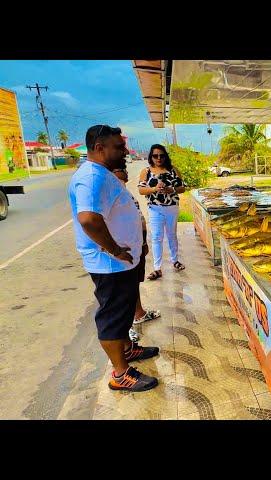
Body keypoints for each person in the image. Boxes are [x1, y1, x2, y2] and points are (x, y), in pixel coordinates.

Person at [68, 125, 159, 392]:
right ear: (99, 148)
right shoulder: (91, 177)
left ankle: (127, 350)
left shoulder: (101, 173)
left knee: (124, 308)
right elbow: (88, 219)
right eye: (119, 147)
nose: (125, 151)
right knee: (112, 317)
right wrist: (115, 250)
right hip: (111, 265)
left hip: (122, 262)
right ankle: (120, 374)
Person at [112, 167, 162, 343]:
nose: (124, 171)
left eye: (123, 168)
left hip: (135, 248)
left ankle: (139, 314)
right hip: (121, 253)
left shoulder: (124, 192)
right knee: (121, 292)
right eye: (119, 169)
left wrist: (143, 243)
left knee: (133, 285)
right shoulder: (110, 194)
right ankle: (125, 331)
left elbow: (138, 218)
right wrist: (115, 250)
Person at [137, 144, 186, 280]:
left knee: (172, 235)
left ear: (166, 156)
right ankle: (157, 268)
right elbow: (141, 190)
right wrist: (154, 189)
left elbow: (183, 187)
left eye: (162, 155)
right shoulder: (146, 171)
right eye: (155, 155)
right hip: (155, 208)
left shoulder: (173, 170)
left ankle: (175, 260)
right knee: (156, 237)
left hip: (172, 207)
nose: (159, 158)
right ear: (151, 157)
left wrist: (172, 189)